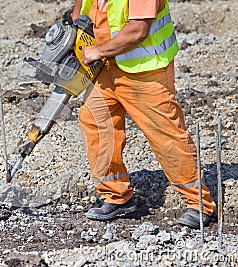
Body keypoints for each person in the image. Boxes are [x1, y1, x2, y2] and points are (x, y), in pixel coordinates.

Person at [72, 0, 216, 229]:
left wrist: (97, 50)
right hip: (103, 65)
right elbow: (83, 5)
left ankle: (199, 203)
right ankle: (116, 196)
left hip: (143, 70)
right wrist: (75, 34)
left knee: (165, 135)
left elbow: (138, 30)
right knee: (95, 121)